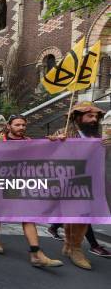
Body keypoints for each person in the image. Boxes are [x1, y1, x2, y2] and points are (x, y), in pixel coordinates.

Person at [0, 115, 63, 267]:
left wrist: (53, 143)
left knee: (28, 216)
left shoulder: (30, 142)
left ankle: (36, 253)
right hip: (0, 183)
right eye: (17, 125)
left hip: (23, 184)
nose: (21, 127)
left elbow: (44, 155)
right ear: (9, 126)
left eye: (23, 125)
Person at [48, 102, 111, 269]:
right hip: (67, 181)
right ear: (77, 117)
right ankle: (73, 247)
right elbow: (49, 155)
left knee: (83, 216)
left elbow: (100, 162)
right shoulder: (63, 133)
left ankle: (73, 246)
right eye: (89, 116)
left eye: (96, 116)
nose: (94, 119)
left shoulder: (98, 138)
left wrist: (106, 148)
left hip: (89, 183)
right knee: (73, 215)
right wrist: (55, 142)